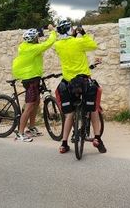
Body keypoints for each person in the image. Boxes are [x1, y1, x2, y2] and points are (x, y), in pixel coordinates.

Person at [53, 19, 106, 154]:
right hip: (83, 80)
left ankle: (64, 144)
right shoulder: (79, 41)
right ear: (70, 30)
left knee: (69, 114)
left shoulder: (58, 45)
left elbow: (68, 45)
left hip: (68, 82)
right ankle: (97, 138)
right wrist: (82, 33)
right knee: (93, 110)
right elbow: (93, 46)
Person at [11, 24, 56, 142]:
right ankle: (20, 133)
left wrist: (41, 30)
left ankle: (31, 127)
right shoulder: (32, 48)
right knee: (29, 105)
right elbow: (48, 43)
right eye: (36, 37)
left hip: (34, 78)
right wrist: (52, 31)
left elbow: (38, 40)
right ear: (33, 39)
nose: (38, 38)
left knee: (36, 102)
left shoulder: (26, 45)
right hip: (30, 79)